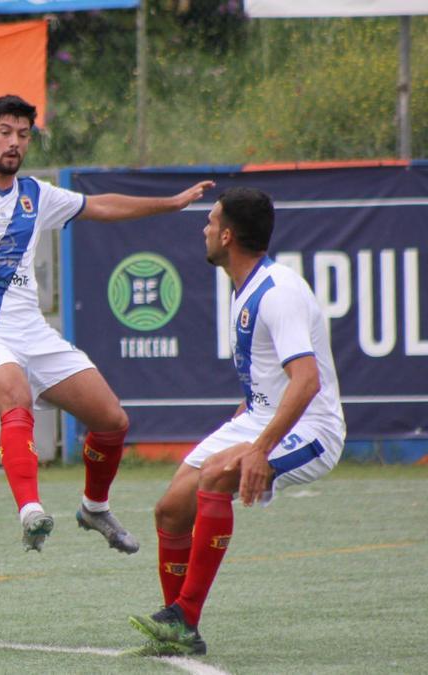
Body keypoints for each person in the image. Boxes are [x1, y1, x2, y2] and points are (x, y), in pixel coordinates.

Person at [0, 94, 213, 554]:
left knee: (111, 419)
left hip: (34, 334)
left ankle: (94, 507)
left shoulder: (36, 195)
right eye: (5, 132)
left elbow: (101, 205)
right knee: (15, 393)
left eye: (23, 135)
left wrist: (170, 204)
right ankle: (31, 511)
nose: (14, 142)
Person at [126, 188, 345, 656]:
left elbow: (305, 382)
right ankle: (176, 629)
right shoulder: (246, 284)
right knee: (169, 509)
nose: (203, 229)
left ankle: (186, 615)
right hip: (262, 416)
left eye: (210, 221)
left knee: (217, 476)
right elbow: (273, 379)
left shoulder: (276, 292)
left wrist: (259, 449)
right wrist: (250, 417)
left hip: (312, 429)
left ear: (227, 235)